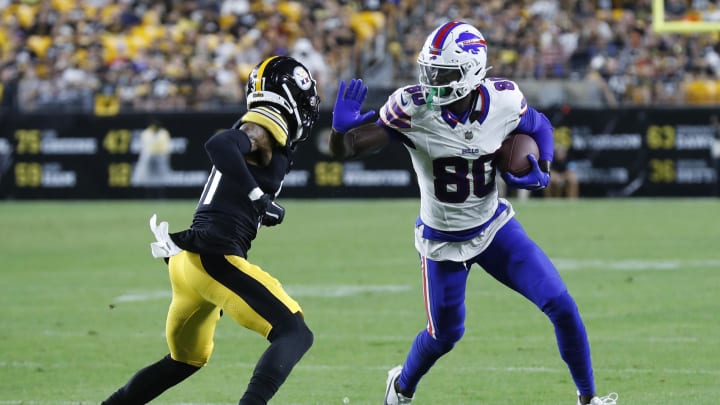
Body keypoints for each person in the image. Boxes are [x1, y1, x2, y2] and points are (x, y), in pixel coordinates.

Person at [329, 21, 618, 405]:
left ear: (471, 72)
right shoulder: (413, 107)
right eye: (428, 70)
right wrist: (338, 133)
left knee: (561, 305)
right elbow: (348, 148)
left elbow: (539, 125)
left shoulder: (503, 100)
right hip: (442, 242)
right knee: (444, 335)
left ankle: (589, 399)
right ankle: (400, 388)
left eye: (442, 73)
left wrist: (541, 169)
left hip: (494, 228)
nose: (431, 81)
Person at [102, 55, 321, 405]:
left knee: (185, 360)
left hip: (187, 262)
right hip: (213, 258)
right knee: (294, 333)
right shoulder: (267, 123)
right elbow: (219, 144)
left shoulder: (265, 125)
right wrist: (257, 198)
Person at [131, 119, 172, 188]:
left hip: (161, 156)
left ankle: (164, 187)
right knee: (144, 172)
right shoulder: (146, 133)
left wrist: (165, 154)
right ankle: (141, 186)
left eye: (156, 126)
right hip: (149, 155)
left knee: (163, 174)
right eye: (153, 126)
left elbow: (166, 146)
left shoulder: (163, 133)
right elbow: (146, 147)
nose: (155, 128)